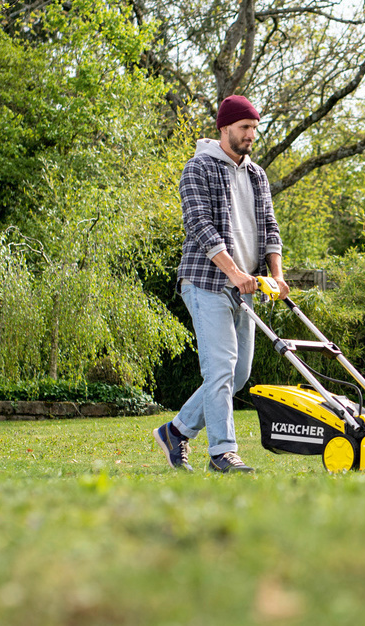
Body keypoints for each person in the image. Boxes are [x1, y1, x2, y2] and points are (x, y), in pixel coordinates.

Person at [154, 95, 289, 473]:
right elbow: (199, 225)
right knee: (220, 369)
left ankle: (176, 431)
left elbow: (270, 228)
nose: (251, 135)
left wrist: (275, 275)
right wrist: (234, 273)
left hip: (246, 288)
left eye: (254, 129)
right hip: (206, 282)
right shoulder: (198, 168)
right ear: (224, 127)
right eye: (245, 128)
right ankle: (222, 453)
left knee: (238, 373)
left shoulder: (257, 174)